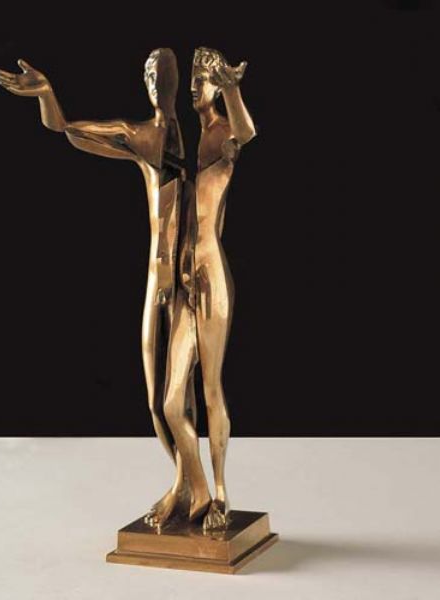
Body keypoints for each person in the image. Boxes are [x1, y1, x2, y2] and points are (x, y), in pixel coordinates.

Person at [0, 49, 196, 526]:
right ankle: (184, 483)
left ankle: (197, 489)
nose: (157, 80)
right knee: (157, 397)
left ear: (176, 80)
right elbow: (66, 129)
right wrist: (48, 95)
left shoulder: (199, 138)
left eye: (164, 72)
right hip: (157, 275)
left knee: (183, 394)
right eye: (149, 72)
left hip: (194, 279)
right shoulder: (139, 135)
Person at [163, 47, 257, 530]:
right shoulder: (186, 138)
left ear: (217, 86)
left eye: (204, 79)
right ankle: (191, 486)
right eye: (195, 78)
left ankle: (219, 493)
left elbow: (247, 133)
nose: (196, 87)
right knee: (171, 402)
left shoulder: (223, 133)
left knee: (211, 388)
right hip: (183, 279)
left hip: (211, 273)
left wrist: (234, 89)